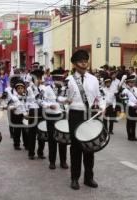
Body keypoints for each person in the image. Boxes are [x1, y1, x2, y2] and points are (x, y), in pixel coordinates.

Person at [63, 49, 105, 190]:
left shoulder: (93, 79)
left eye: (86, 61)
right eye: (81, 61)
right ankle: (74, 178)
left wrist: (102, 106)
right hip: (75, 114)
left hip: (90, 114)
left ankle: (89, 178)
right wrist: (65, 100)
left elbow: (100, 96)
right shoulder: (68, 80)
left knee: (90, 147)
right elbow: (60, 96)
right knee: (76, 148)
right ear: (75, 64)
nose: (84, 64)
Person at [42, 70, 68, 170]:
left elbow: (66, 100)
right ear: (53, 79)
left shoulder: (64, 89)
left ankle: (63, 161)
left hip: (62, 116)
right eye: (57, 79)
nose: (59, 81)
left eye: (60, 79)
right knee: (52, 139)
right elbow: (40, 100)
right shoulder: (47, 88)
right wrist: (49, 105)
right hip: (51, 116)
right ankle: (52, 161)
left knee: (63, 139)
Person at [27, 69, 46, 160]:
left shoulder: (44, 88)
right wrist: (26, 112)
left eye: (40, 78)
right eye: (36, 78)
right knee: (32, 133)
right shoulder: (29, 89)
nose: (38, 80)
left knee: (42, 132)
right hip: (33, 110)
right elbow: (27, 101)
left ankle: (40, 152)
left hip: (42, 111)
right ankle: (31, 152)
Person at [8, 79, 28, 150]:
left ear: (24, 89)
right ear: (16, 90)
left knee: (25, 131)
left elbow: (27, 105)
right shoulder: (13, 98)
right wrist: (13, 107)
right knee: (17, 131)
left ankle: (26, 144)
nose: (20, 90)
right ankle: (16, 144)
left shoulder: (26, 97)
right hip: (17, 116)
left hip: (24, 116)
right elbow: (9, 106)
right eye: (18, 88)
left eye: (21, 88)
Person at [122, 75, 137, 141]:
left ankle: (133, 135)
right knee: (129, 122)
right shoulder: (125, 91)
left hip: (136, 107)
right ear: (127, 83)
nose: (132, 83)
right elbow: (125, 100)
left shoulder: (136, 89)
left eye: (133, 82)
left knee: (134, 122)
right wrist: (133, 105)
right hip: (129, 108)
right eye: (130, 82)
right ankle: (129, 136)